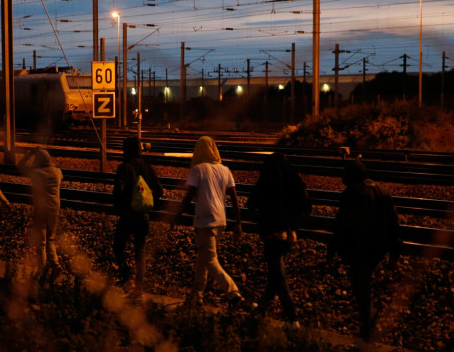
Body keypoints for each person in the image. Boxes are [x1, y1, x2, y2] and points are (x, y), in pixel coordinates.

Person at [327, 159, 401, 342]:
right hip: (379, 248)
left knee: (362, 289)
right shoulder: (383, 190)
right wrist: (394, 254)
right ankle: (370, 325)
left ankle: (367, 331)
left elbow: (341, 224)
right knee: (365, 285)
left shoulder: (351, 193)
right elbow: (394, 223)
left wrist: (331, 250)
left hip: (358, 248)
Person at [175, 136, 245, 308]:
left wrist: (176, 215)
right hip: (221, 220)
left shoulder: (198, 170)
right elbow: (234, 198)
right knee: (203, 259)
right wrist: (237, 222)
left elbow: (189, 195)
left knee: (211, 260)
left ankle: (233, 294)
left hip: (206, 221)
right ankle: (196, 297)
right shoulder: (225, 170)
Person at [248, 152, 312, 329]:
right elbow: (306, 207)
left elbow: (251, 203)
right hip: (288, 236)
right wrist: (293, 228)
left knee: (278, 275)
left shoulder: (267, 181)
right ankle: (261, 309)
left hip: (271, 235)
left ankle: (292, 318)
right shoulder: (294, 181)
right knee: (274, 274)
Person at [112, 136, 164, 296]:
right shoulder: (148, 167)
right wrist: (148, 203)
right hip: (143, 216)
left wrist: (121, 205)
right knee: (139, 251)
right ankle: (139, 287)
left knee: (118, 247)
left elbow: (118, 191)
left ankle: (127, 276)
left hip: (128, 216)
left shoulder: (124, 167)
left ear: (126, 150)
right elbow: (160, 190)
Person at [18, 146, 63, 275]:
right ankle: (55, 264)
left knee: (41, 242)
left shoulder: (36, 173)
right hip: (54, 209)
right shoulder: (58, 172)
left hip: (40, 209)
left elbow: (21, 165)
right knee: (51, 239)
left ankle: (42, 269)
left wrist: (29, 153)